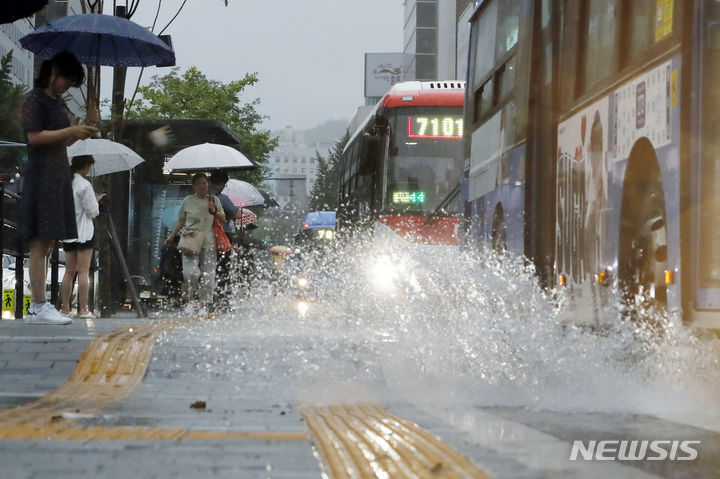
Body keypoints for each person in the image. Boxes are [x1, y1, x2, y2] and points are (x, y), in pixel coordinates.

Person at [21, 52, 98, 325]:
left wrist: (82, 128)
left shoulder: (57, 103)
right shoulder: (34, 99)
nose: (68, 85)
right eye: (67, 79)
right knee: (40, 242)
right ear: (54, 72)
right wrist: (70, 132)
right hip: (42, 175)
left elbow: (62, 142)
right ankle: (38, 305)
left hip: (56, 175)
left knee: (50, 242)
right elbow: (34, 137)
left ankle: (42, 304)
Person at [165, 173, 224, 314]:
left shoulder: (214, 200)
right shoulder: (187, 200)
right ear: (193, 186)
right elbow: (181, 220)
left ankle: (204, 304)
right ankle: (190, 300)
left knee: (208, 276)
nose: (202, 186)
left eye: (205, 183)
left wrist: (214, 210)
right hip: (190, 240)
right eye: (199, 184)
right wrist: (171, 236)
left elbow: (223, 218)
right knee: (190, 273)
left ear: (208, 184)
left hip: (208, 242)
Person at [60, 155, 104, 319]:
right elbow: (93, 211)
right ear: (85, 166)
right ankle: (83, 309)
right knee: (83, 271)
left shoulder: (67, 183)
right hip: (84, 232)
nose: (90, 169)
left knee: (69, 272)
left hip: (68, 232)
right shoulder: (85, 185)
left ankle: (65, 308)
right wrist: (96, 200)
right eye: (90, 166)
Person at [208, 171, 239, 307]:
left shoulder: (200, 197)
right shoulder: (222, 198)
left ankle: (206, 298)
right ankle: (222, 299)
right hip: (222, 236)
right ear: (222, 184)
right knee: (223, 268)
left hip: (204, 236)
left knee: (207, 268)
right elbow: (236, 214)